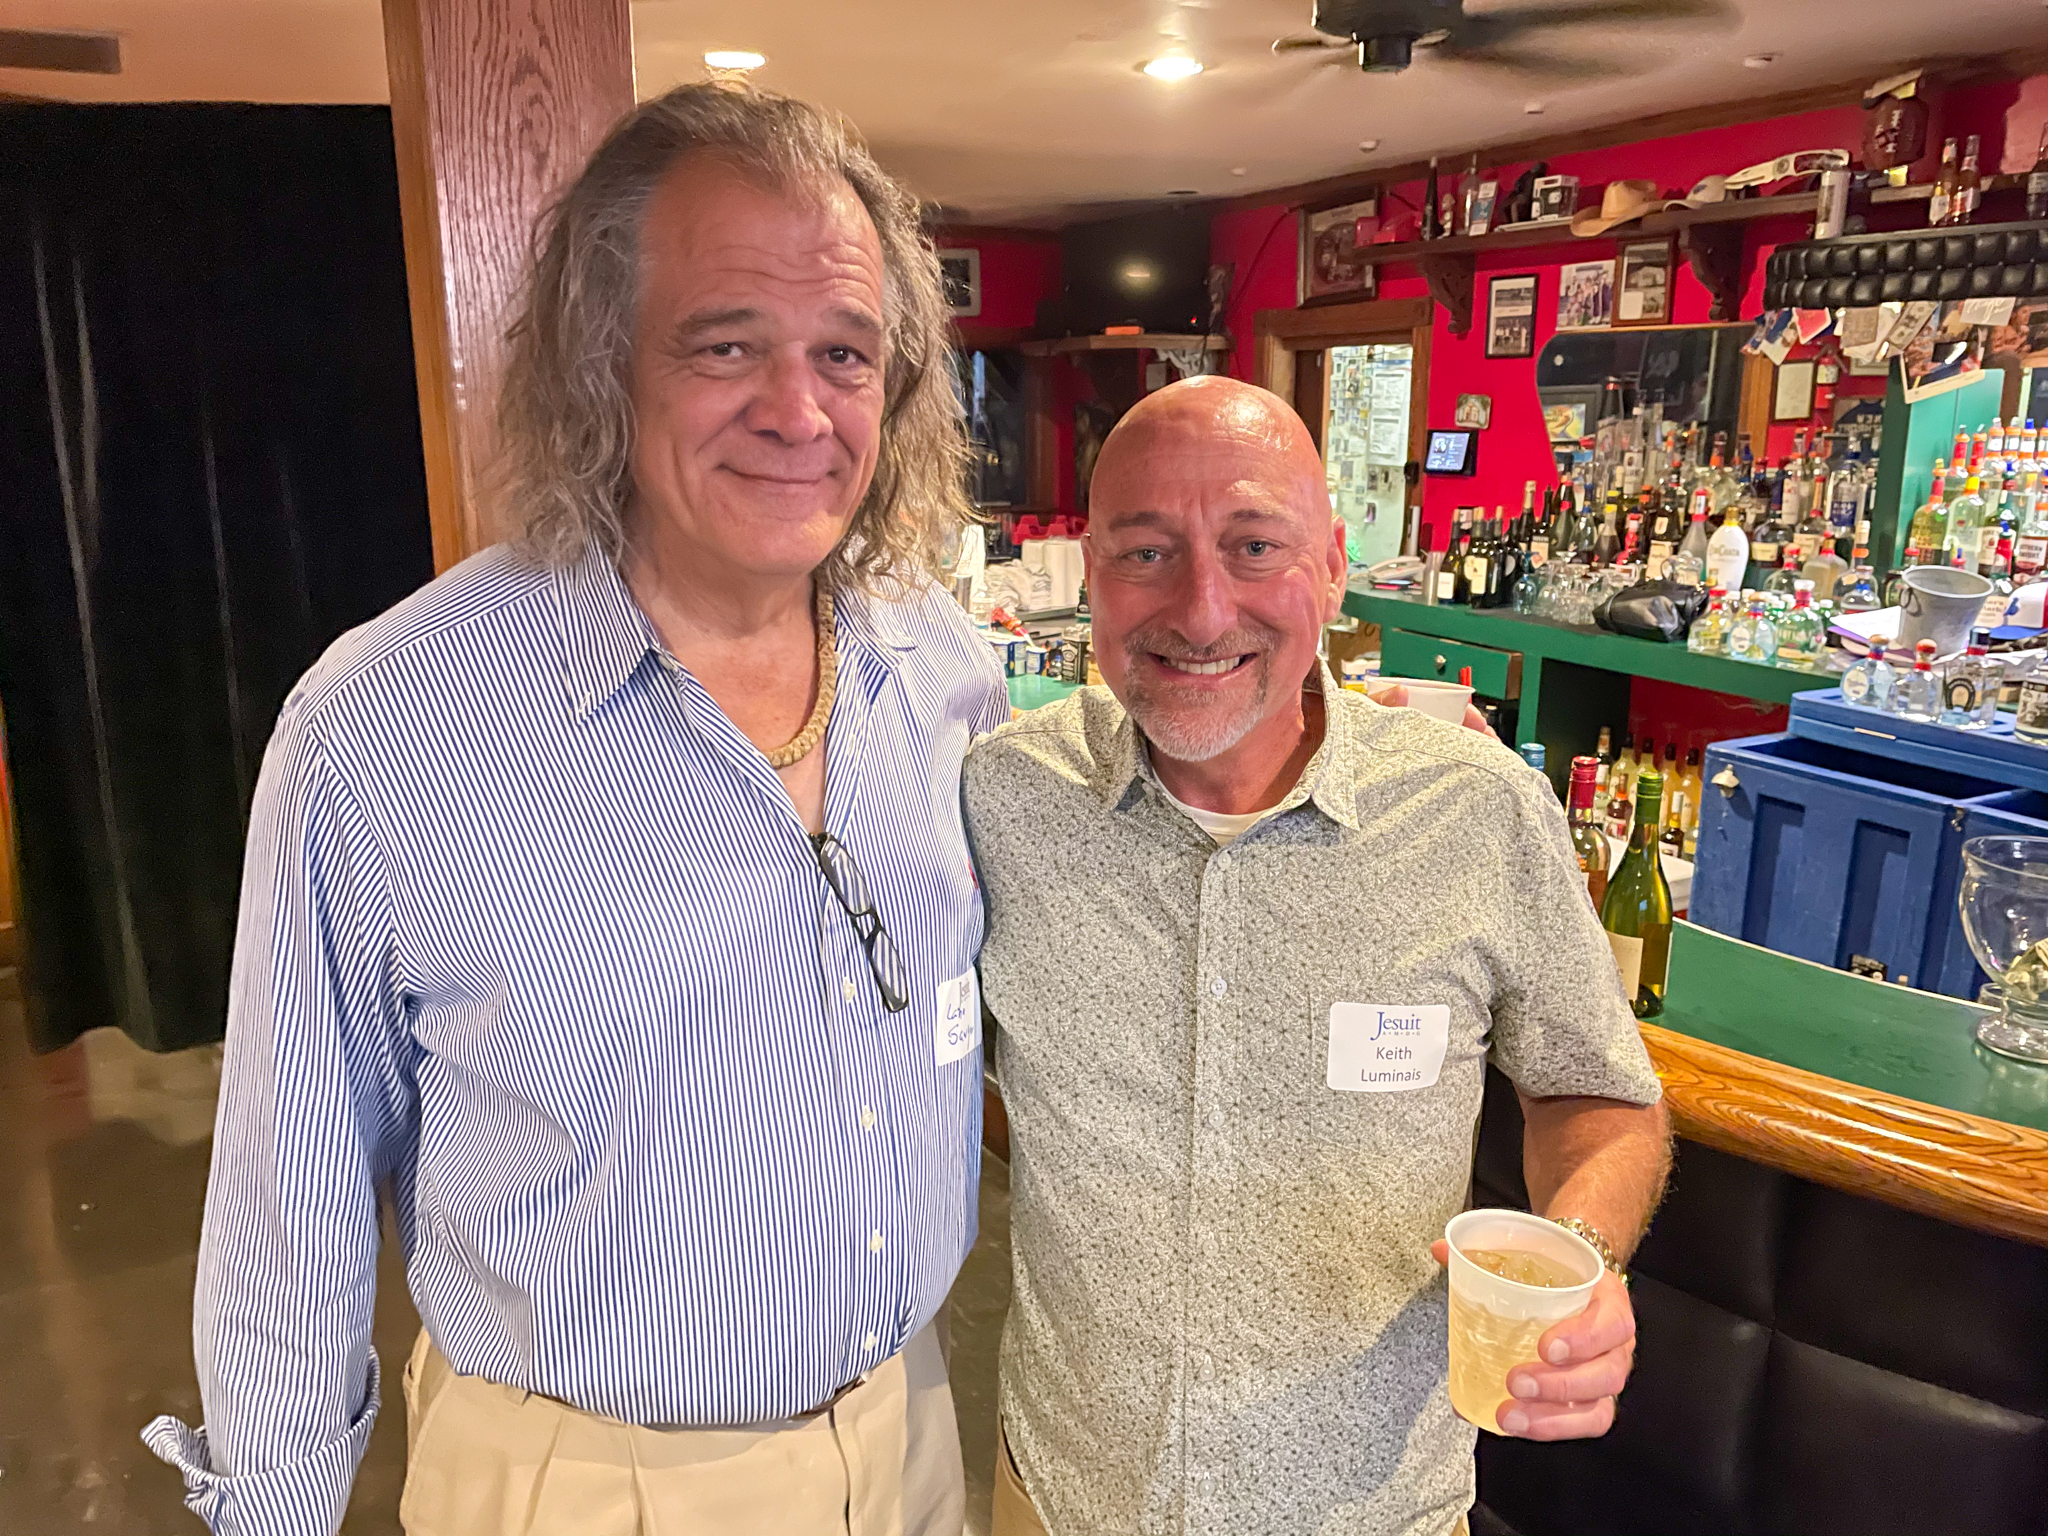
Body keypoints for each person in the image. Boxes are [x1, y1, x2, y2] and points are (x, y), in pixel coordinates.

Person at [144, 83, 1008, 1536]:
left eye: (844, 353)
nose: (799, 411)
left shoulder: (942, 670)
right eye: (724, 344)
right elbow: (290, 1194)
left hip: (909, 1439)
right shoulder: (389, 725)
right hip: (586, 1486)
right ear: (603, 363)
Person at [962, 376, 1672, 1536]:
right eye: (1144, 553)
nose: (1201, 610)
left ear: (1332, 568)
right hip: (1060, 1499)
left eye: (1254, 547)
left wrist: (1581, 1257)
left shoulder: (1475, 810)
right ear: (1088, 573)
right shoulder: (1005, 796)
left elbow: (1596, 1096)